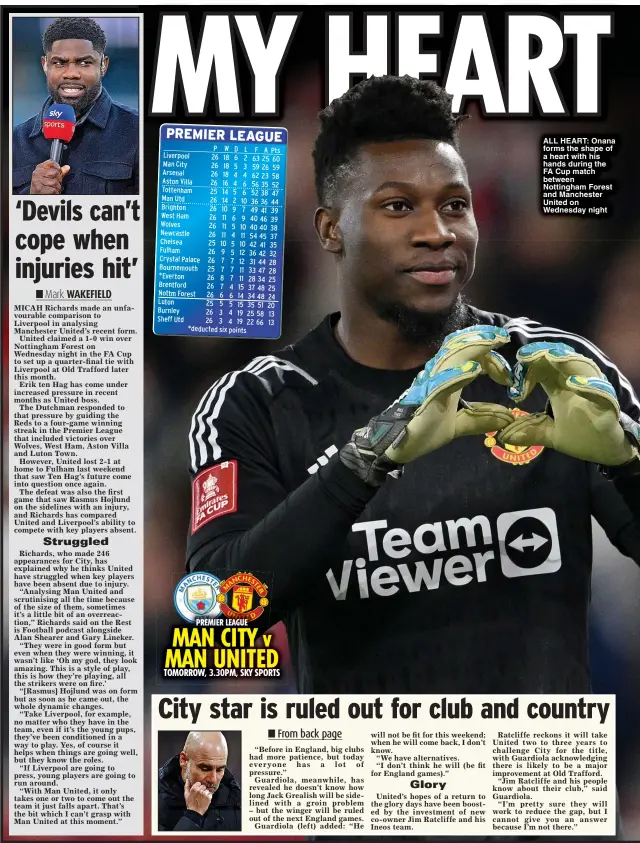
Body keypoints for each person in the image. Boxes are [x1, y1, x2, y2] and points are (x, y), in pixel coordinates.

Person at [186, 75, 639, 696]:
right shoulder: (258, 403)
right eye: (399, 206)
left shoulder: (553, 370)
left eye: (455, 205)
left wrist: (629, 465)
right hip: (361, 783)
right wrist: (368, 459)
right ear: (329, 230)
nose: (438, 231)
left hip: (534, 780)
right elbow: (215, 611)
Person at [13, 17, 138, 195]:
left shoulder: (137, 133)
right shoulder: (14, 142)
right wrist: (30, 198)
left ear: (103, 65)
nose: (71, 73)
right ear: (45, 66)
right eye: (59, 63)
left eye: (84, 63)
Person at [158, 731, 241, 832]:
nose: (213, 779)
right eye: (205, 768)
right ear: (183, 760)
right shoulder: (150, 799)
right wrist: (193, 815)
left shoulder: (236, 799)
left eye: (220, 769)